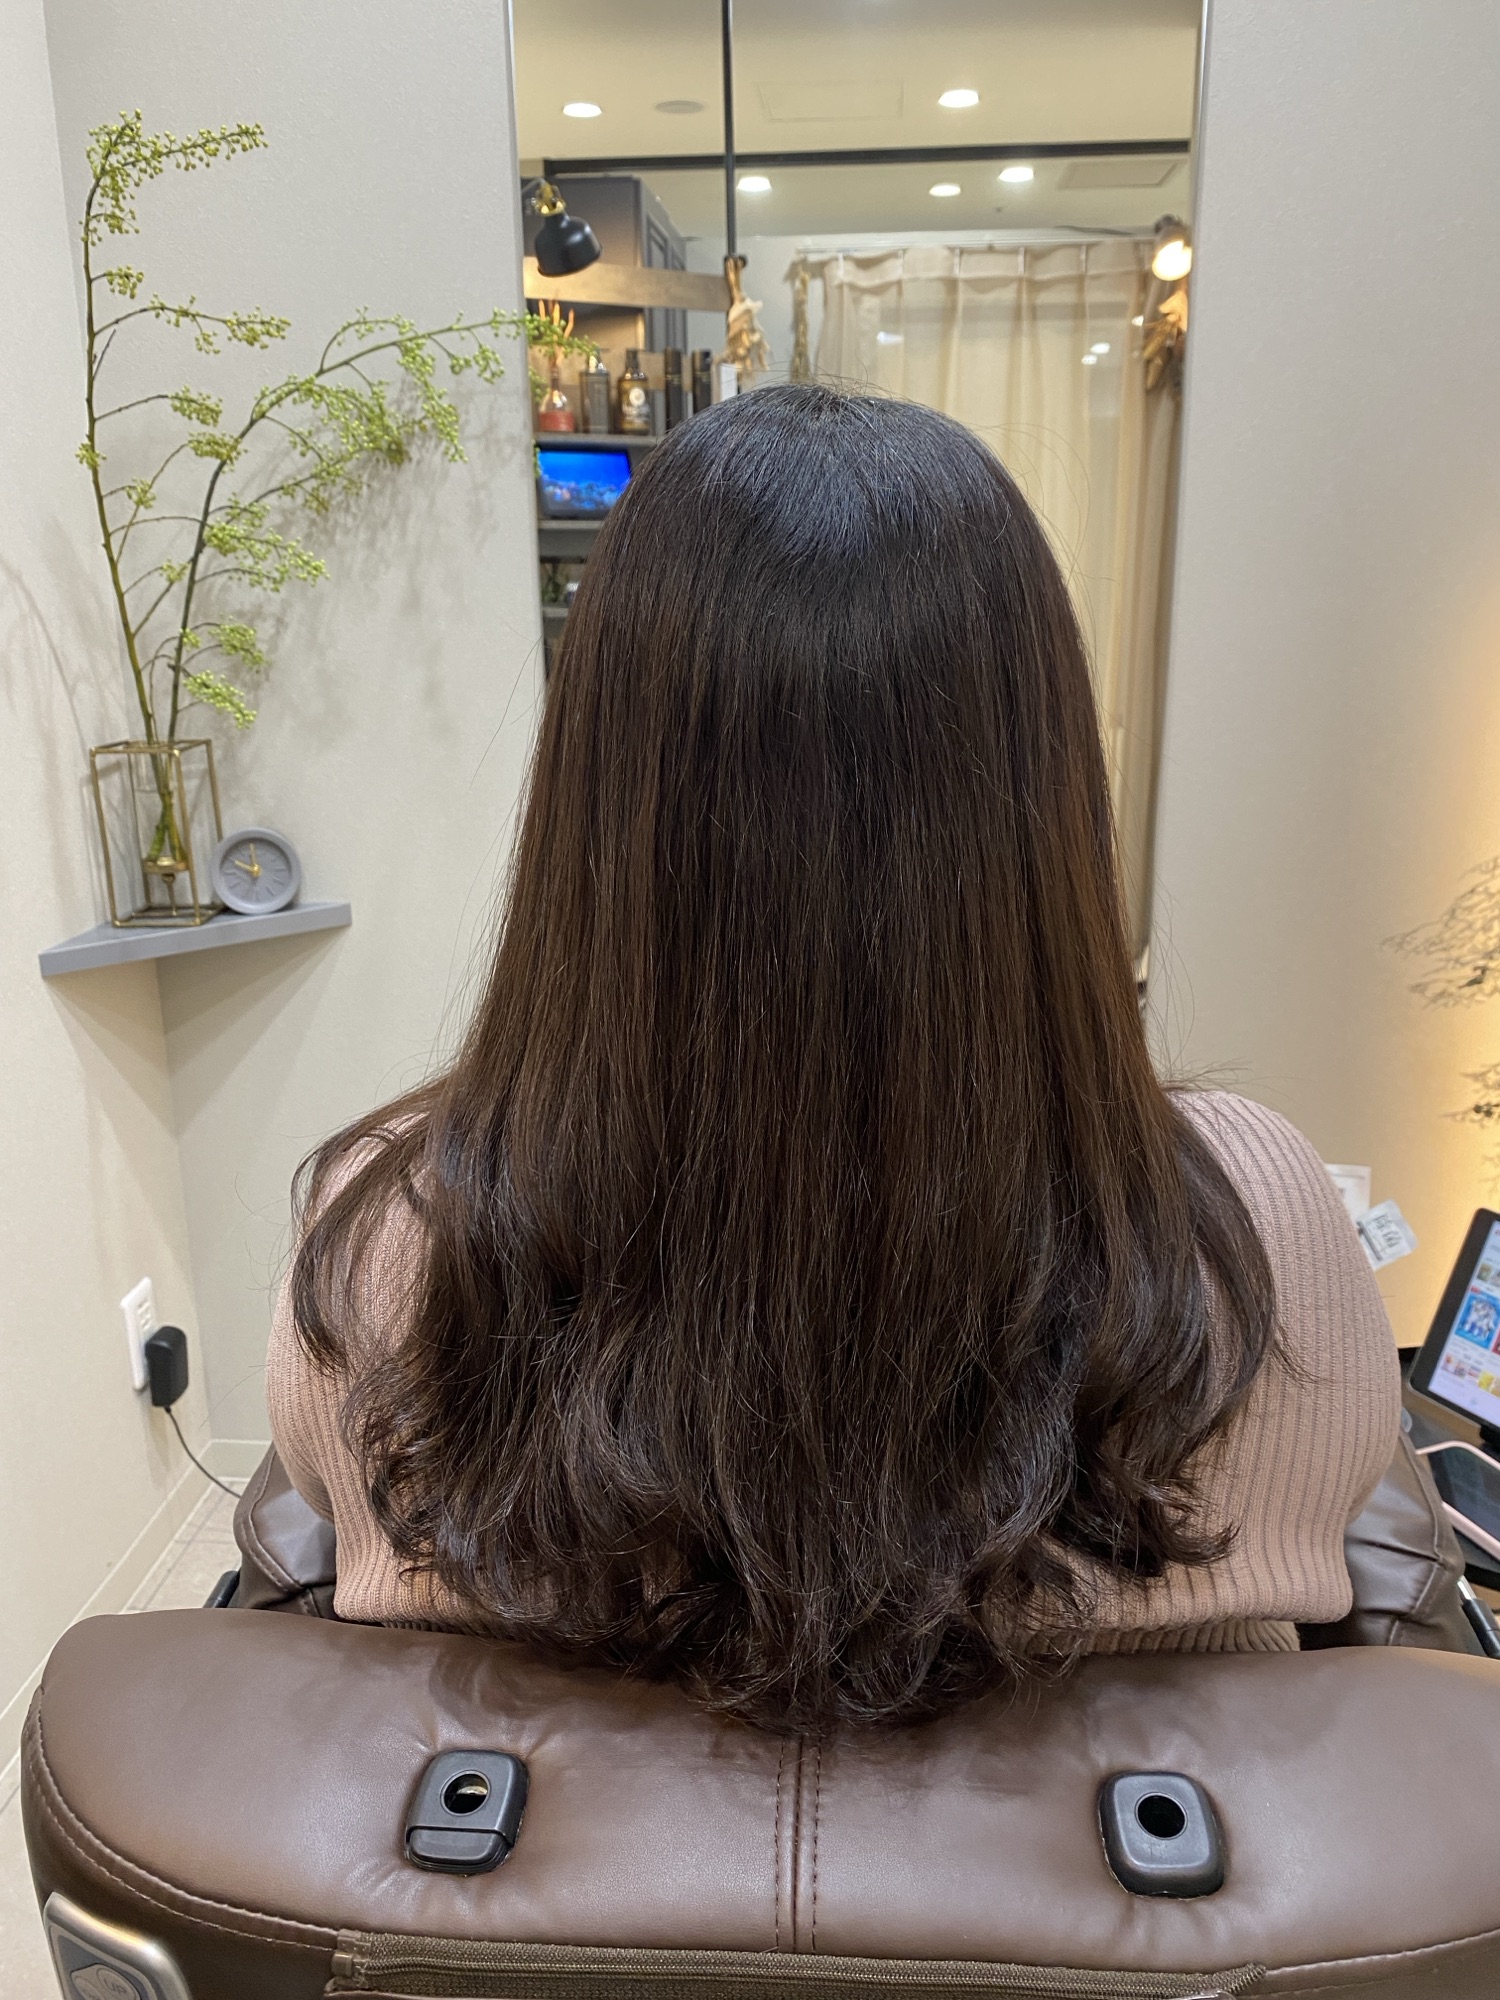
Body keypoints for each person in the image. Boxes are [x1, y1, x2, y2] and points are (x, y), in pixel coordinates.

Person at [267, 384, 1400, 1732]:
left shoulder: (386, 1227)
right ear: (1042, 793)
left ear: (597, 787)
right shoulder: (1255, 1214)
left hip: (531, 1864)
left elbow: (330, 1509)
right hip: (1143, 1856)